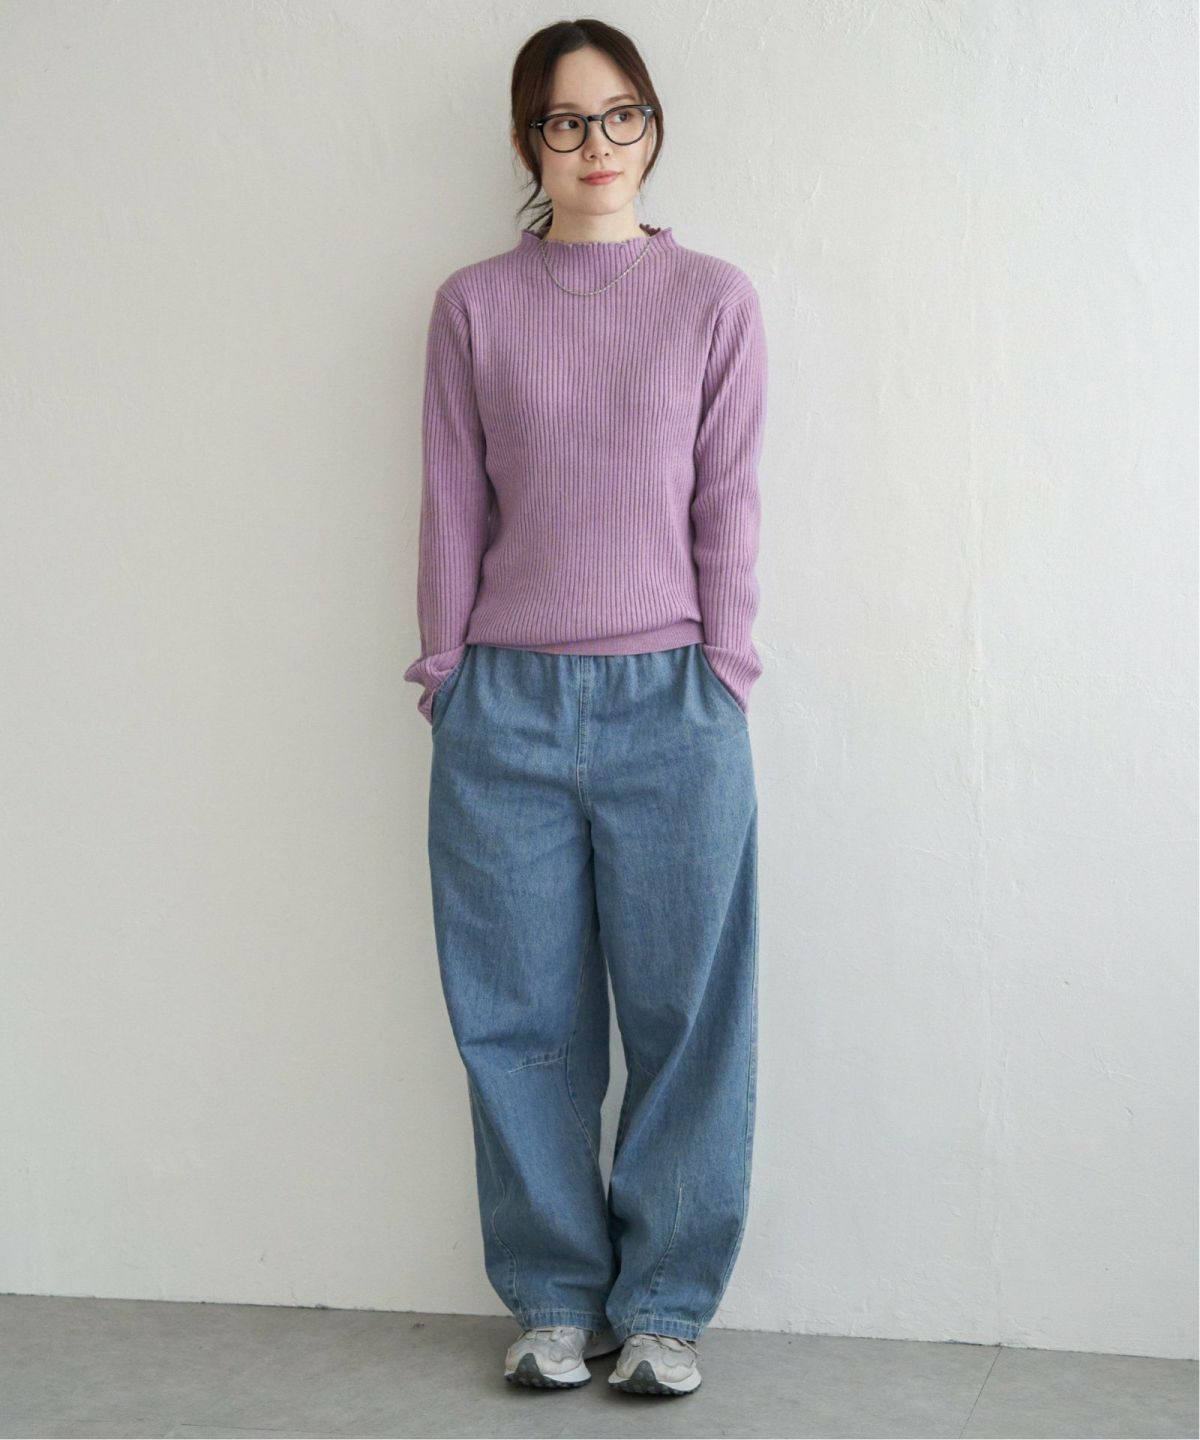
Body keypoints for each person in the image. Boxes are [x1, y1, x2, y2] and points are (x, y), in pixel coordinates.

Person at [402, 18, 767, 1398]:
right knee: (519, 1019)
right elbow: (452, 498)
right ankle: (557, 1299)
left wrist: (726, 666)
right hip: (503, 703)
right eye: (566, 121)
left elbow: (727, 499)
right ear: (528, 141)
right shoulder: (473, 306)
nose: (597, 145)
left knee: (689, 1016)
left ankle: (665, 1305)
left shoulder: (713, 300)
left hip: (676, 699)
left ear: (652, 126)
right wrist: (445, 669)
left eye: (621, 116)